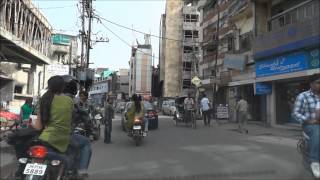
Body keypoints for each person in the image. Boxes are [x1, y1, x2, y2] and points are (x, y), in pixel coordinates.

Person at [61, 75, 92, 177]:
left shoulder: (48, 98)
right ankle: (82, 170)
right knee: (86, 143)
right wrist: (90, 131)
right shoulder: (72, 102)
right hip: (64, 135)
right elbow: (86, 119)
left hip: (44, 134)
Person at [292, 73, 320, 177]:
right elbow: (295, 113)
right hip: (310, 125)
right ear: (311, 84)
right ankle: (314, 161)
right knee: (317, 131)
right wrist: (308, 120)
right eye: (318, 83)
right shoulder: (303, 96)